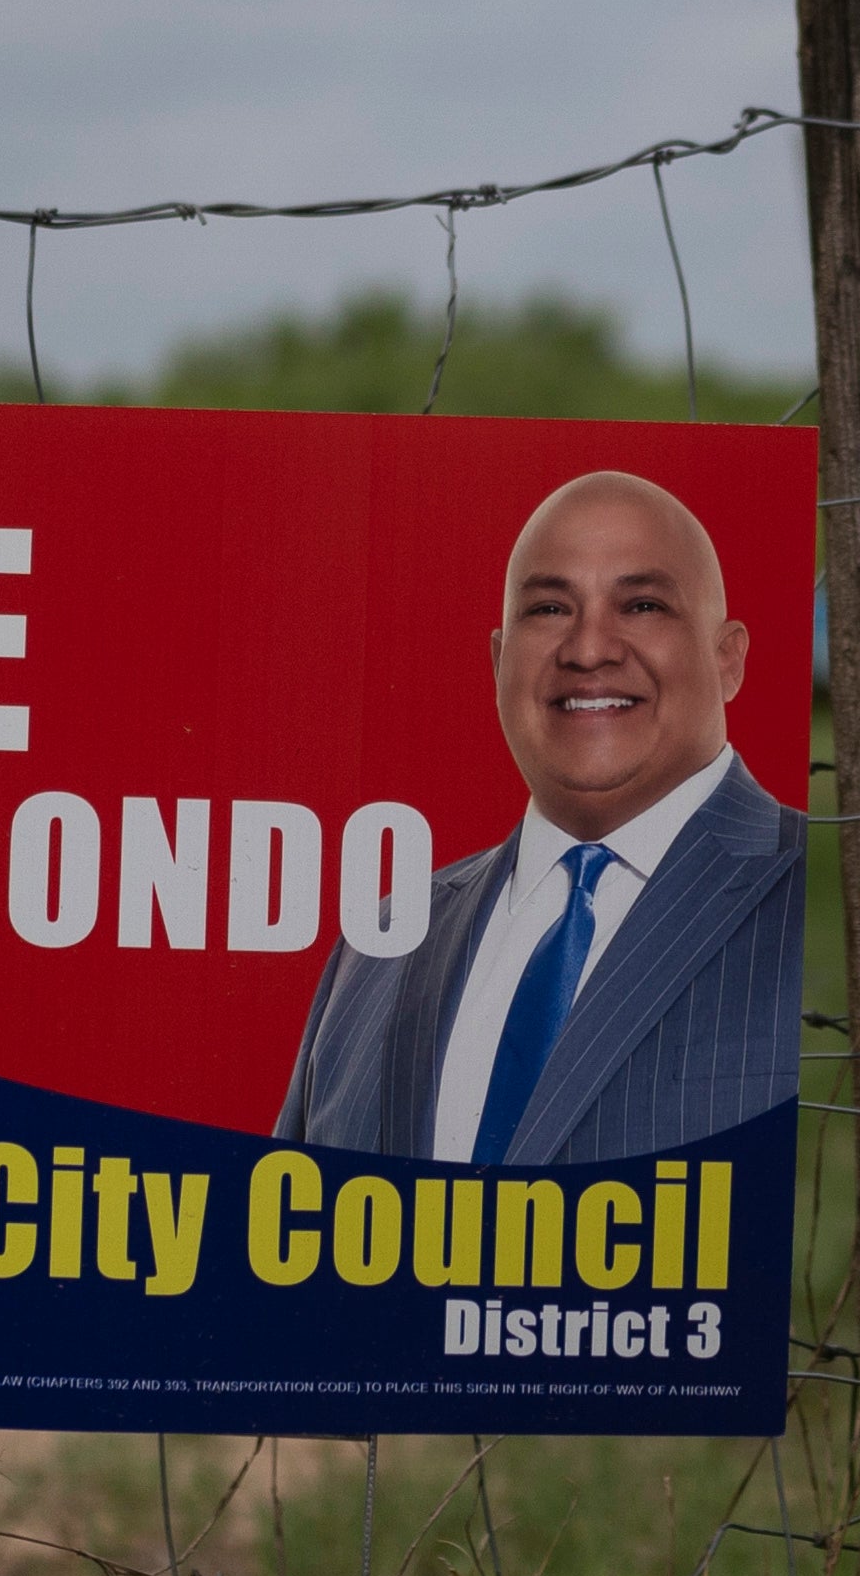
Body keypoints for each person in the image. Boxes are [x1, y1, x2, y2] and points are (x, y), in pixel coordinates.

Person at [276, 469, 803, 1168]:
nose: (588, 649)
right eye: (550, 608)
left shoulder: (811, 890)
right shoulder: (379, 947)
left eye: (642, 605)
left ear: (728, 658)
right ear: (500, 663)